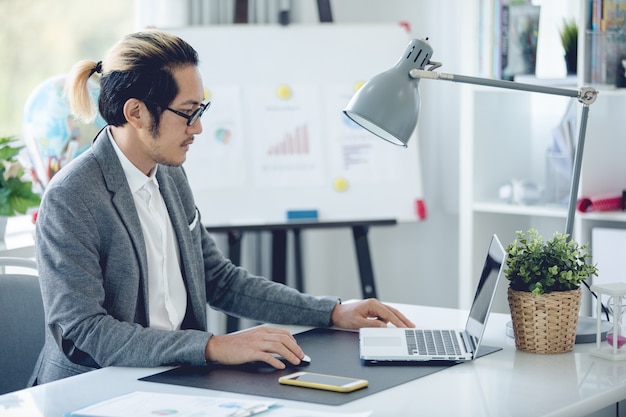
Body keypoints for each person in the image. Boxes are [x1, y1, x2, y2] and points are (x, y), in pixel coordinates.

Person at [30, 29, 414, 385]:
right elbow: (85, 331)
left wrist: (332, 312)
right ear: (136, 113)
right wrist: (214, 346)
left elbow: (218, 279)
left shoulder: (168, 174)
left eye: (201, 110)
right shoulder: (71, 198)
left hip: (174, 378)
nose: (197, 128)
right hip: (94, 389)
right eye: (187, 112)